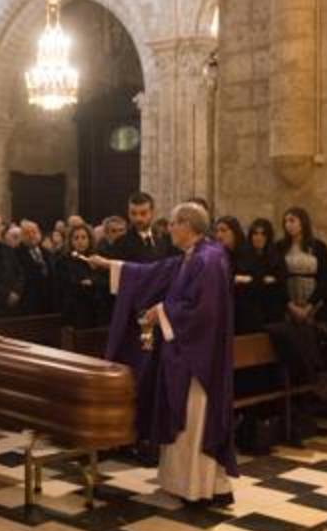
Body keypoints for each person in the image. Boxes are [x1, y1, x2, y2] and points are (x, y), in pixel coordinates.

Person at [86, 203, 237, 507]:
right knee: (188, 418)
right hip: (189, 353)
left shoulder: (208, 260)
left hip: (199, 360)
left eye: (173, 224)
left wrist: (162, 311)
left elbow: (203, 312)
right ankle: (194, 485)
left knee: (195, 419)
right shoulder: (194, 256)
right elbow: (153, 272)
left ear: (188, 225)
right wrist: (110, 266)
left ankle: (198, 488)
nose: (168, 229)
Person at [276, 206, 327, 323]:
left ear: (303, 222)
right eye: (285, 221)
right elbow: (278, 277)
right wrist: (290, 305)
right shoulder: (280, 246)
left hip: (312, 298)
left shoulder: (318, 246)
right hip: (288, 297)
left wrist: (309, 306)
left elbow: (324, 278)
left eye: (292, 220)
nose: (288, 225)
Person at [214, 216, 263, 335]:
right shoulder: (218, 255)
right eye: (217, 231)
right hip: (225, 310)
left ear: (235, 232)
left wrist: (241, 279)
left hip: (246, 311)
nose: (219, 235)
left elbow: (258, 279)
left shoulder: (248, 252)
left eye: (224, 230)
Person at [56, 223, 110, 330]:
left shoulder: (98, 258)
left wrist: (93, 281)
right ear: (71, 241)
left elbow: (106, 280)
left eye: (84, 237)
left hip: (99, 310)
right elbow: (66, 284)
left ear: (89, 239)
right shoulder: (63, 261)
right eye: (76, 238)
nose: (80, 241)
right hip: (76, 311)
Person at [109, 192, 176, 262]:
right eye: (133, 213)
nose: (138, 218)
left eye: (143, 213)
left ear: (152, 212)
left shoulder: (164, 239)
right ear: (128, 213)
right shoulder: (121, 243)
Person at [247, 218, 288, 324]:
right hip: (250, 310)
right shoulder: (245, 256)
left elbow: (281, 280)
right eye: (255, 234)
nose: (259, 237)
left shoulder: (275, 256)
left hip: (272, 309)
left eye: (263, 234)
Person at [15, 220, 54, 314]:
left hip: (48, 300)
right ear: (21, 236)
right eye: (27, 233)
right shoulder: (15, 254)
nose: (31, 235)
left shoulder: (47, 253)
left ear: (39, 234)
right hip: (28, 301)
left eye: (34, 232)